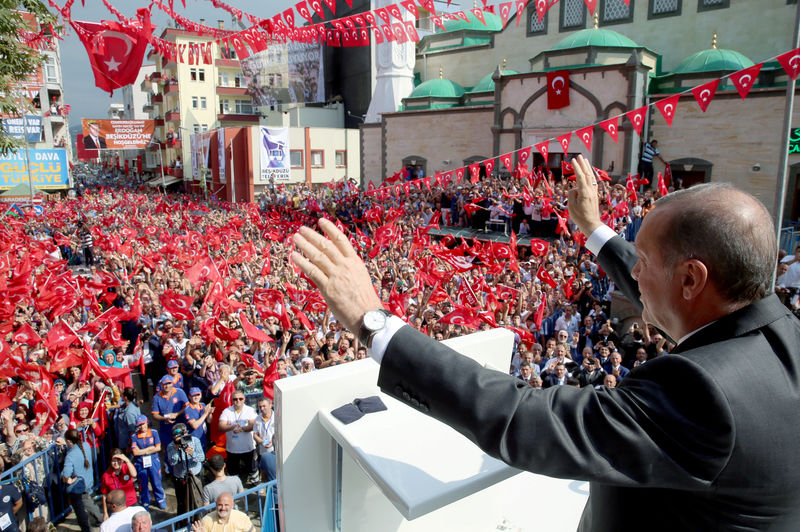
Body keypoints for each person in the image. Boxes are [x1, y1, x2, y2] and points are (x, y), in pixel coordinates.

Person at [291, 152, 800, 532]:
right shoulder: (781, 336)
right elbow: (661, 293)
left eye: (641, 258)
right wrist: (594, 230)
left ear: (691, 280)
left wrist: (371, 321)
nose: (634, 271)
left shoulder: (704, 396)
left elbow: (527, 418)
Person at [62, 428, 103, 532]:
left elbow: (66, 474)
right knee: (87, 501)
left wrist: (67, 479)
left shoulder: (70, 456)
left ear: (68, 441)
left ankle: (87, 529)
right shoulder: (85, 446)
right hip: (88, 482)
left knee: (80, 510)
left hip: (76, 487)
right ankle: (100, 518)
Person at [218, 391, 258, 484]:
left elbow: (253, 425)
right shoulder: (227, 411)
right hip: (232, 449)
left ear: (244, 399)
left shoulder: (250, 410)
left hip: (248, 448)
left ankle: (256, 486)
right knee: (233, 472)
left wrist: (242, 429)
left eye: (240, 399)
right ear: (232, 400)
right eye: (235, 399)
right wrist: (231, 427)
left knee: (252, 469)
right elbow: (220, 427)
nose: (238, 401)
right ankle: (235, 489)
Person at [166, 423, 204, 516]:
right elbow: (172, 462)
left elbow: (202, 457)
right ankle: (183, 522)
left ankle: (198, 518)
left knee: (198, 500)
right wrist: (176, 450)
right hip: (180, 478)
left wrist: (192, 453)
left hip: (195, 475)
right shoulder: (171, 446)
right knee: (182, 503)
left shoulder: (195, 441)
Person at [130, 416, 166, 510]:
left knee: (156, 481)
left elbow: (158, 448)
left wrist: (142, 451)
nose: (142, 427)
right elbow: (135, 452)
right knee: (143, 483)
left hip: (154, 461)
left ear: (147, 423)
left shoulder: (154, 433)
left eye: (143, 423)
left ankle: (160, 500)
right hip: (140, 463)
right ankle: (145, 502)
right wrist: (149, 449)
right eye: (140, 425)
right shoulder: (134, 436)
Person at [100, 449, 138, 521]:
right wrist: (105, 513)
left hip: (131, 503)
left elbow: (134, 474)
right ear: (110, 461)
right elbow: (104, 495)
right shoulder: (106, 476)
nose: (116, 463)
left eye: (119, 460)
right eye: (113, 461)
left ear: (123, 460)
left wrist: (127, 460)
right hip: (117, 508)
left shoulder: (127, 467)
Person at [252, 397, 276, 481]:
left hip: (275, 451)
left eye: (264, 406)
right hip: (263, 451)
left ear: (270, 405)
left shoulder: (277, 417)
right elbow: (255, 434)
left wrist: (273, 443)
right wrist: (261, 441)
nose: (262, 409)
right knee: (264, 472)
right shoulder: (257, 419)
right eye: (260, 407)